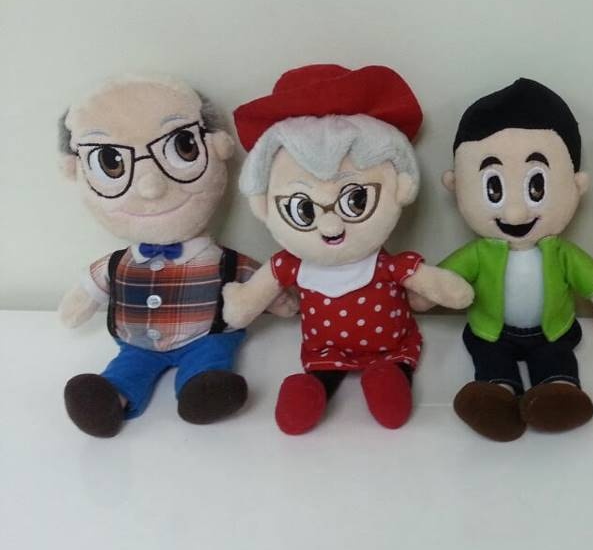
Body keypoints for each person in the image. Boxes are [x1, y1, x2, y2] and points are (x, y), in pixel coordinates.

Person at [222, 64, 472, 435]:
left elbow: (439, 287)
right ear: (265, 204)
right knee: (316, 378)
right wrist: (242, 302)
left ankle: (388, 376)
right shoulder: (289, 265)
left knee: (389, 387)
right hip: (323, 351)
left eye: (355, 200)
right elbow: (248, 302)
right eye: (303, 209)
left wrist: (447, 292)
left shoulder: (388, 265)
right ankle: (312, 387)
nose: (331, 226)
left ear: (401, 187)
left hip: (392, 347)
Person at [57, 75, 292, 437]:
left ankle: (203, 391)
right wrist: (76, 307)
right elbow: (84, 296)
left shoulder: (225, 263)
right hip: (137, 342)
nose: (150, 187)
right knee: (128, 366)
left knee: (211, 359)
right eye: (112, 162)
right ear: (77, 169)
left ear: (216, 147)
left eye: (183, 147)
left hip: (207, 336)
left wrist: (282, 302)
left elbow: (262, 285)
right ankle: (111, 396)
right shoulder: (117, 265)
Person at [438, 78, 593, 442]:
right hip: (491, 332)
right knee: (491, 360)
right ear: (457, 185)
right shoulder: (479, 253)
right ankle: (497, 395)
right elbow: (443, 280)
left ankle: (558, 393)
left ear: (575, 185)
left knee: (555, 358)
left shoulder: (561, 252)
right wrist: (428, 289)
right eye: (493, 188)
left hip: (550, 331)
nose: (515, 211)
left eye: (536, 185)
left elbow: (589, 278)